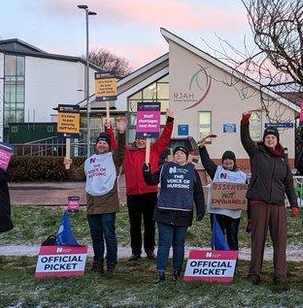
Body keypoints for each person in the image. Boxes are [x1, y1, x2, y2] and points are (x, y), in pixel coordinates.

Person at [240, 112, 299, 285]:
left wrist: (294, 204)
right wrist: (245, 122)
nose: (270, 140)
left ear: (277, 140)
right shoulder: (256, 152)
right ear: (264, 139)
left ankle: (280, 275)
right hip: (259, 203)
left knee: (280, 241)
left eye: (273, 137)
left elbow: (288, 183)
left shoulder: (282, 159)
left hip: (278, 206)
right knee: (258, 240)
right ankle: (254, 274)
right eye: (268, 137)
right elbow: (245, 139)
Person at [65, 118, 123, 274]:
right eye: (99, 142)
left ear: (109, 145)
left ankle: (111, 263)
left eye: (104, 142)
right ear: (96, 145)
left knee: (109, 236)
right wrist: (69, 167)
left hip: (108, 203)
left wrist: (121, 133)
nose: (102, 144)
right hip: (92, 204)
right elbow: (77, 176)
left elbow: (122, 150)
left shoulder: (113, 158)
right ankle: (98, 261)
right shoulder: (89, 161)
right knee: (96, 236)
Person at [142, 144, 205, 282]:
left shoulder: (192, 171)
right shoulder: (165, 167)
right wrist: (146, 171)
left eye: (182, 153)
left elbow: (198, 192)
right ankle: (161, 273)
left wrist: (201, 209)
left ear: (187, 157)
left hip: (183, 212)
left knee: (179, 243)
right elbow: (151, 181)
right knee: (164, 243)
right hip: (165, 211)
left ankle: (176, 272)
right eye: (176, 153)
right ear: (173, 155)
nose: (179, 155)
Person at [119, 108, 175, 261]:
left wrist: (169, 121)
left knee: (150, 224)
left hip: (149, 193)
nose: (141, 140)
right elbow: (115, 146)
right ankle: (136, 251)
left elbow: (164, 138)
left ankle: (150, 250)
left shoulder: (154, 150)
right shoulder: (127, 152)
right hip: (133, 195)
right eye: (138, 137)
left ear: (148, 138)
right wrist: (118, 131)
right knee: (134, 225)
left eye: (144, 138)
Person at [197, 136, 246, 251]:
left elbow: (246, 194)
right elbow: (207, 162)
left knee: (232, 237)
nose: (228, 161)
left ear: (234, 162)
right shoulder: (217, 171)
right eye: (225, 159)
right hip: (217, 212)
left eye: (230, 160)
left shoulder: (242, 176)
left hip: (233, 214)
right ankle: (218, 258)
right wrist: (202, 148)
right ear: (222, 161)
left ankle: (233, 261)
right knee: (218, 237)